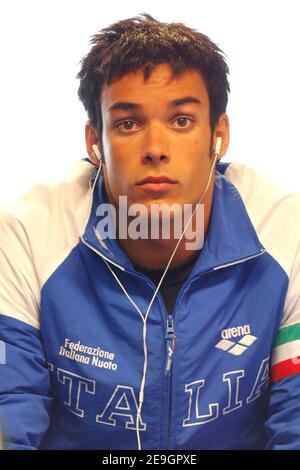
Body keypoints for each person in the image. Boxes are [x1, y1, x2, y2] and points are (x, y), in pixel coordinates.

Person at [0, 13, 300, 451]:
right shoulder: (28, 233)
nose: (155, 149)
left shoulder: (286, 231)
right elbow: (8, 411)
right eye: (128, 123)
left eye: (181, 120)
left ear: (219, 135)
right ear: (94, 142)